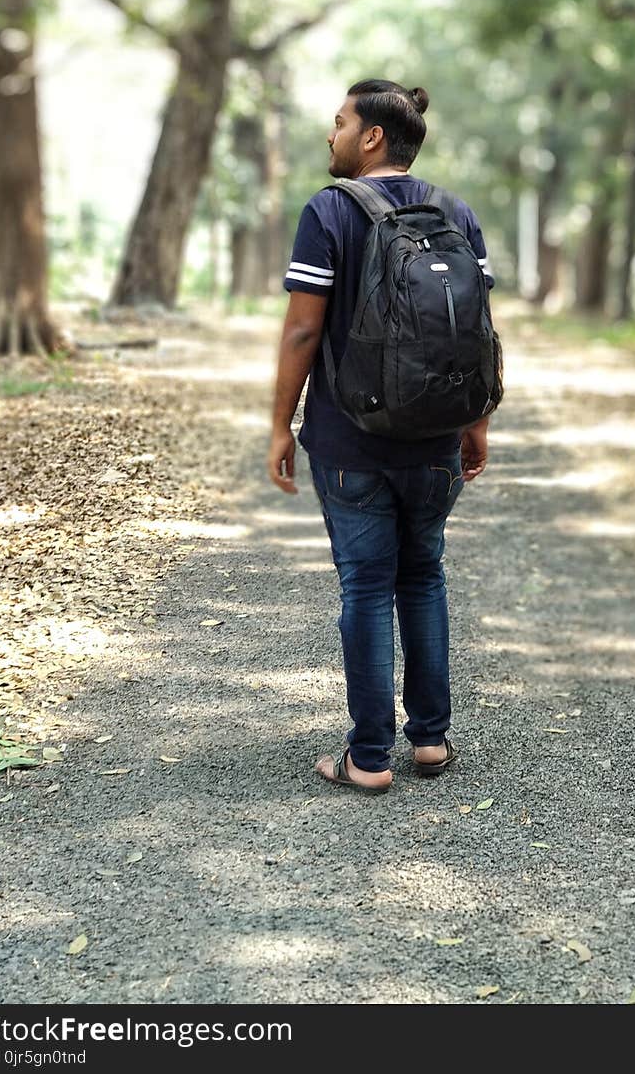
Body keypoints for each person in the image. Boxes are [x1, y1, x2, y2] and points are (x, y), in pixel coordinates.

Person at [267, 79, 493, 793]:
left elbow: (304, 327)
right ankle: (429, 741)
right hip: (436, 439)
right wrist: (476, 420)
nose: (328, 135)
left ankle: (367, 757)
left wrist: (280, 421)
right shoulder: (455, 211)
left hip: (351, 439)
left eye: (338, 123)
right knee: (423, 575)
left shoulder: (330, 211)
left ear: (370, 137)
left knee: (365, 586)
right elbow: (478, 332)